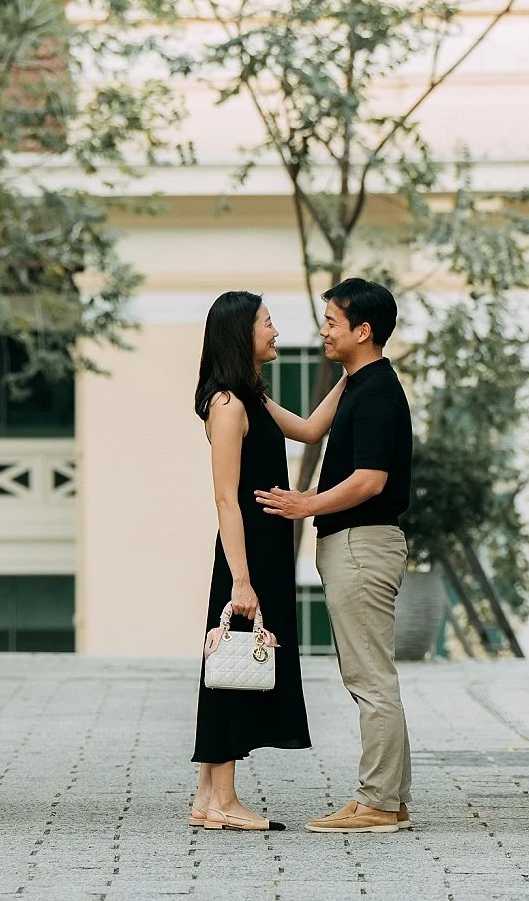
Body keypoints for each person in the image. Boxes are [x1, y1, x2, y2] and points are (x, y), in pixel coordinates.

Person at [255, 278, 414, 834]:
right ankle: (387, 800)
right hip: (351, 543)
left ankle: (377, 805)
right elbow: (307, 429)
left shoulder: (376, 393)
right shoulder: (355, 384)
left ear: (362, 330)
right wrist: (247, 389)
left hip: (362, 543)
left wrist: (306, 504)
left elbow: (371, 480)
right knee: (370, 677)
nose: (323, 330)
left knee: (370, 680)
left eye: (331, 322)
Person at [191, 290, 345, 831]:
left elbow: (308, 430)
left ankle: (209, 798)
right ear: (240, 334)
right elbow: (225, 497)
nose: (276, 331)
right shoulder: (228, 405)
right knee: (233, 670)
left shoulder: (250, 397)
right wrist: (241, 581)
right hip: (247, 552)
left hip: (264, 550)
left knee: (224, 667)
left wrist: (352, 372)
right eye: (266, 322)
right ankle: (227, 802)